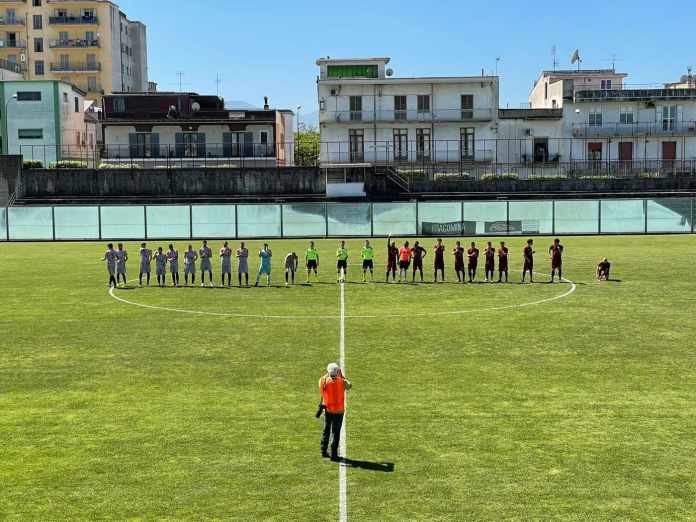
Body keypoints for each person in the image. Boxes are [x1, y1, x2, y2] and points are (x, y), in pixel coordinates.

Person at [319, 362, 352, 461]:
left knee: (326, 430)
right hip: (339, 411)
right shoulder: (341, 381)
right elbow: (349, 386)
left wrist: (329, 373)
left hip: (328, 410)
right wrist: (342, 376)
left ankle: (323, 451)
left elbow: (323, 380)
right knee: (336, 432)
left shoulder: (323, 381)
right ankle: (334, 454)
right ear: (337, 372)